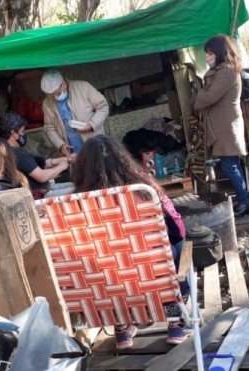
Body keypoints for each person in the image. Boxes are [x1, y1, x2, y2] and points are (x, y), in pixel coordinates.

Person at [72, 134, 191, 349]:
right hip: (151, 270)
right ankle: (175, 320)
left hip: (106, 276)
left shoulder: (74, 204)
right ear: (123, 159)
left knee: (104, 265)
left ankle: (122, 326)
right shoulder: (145, 191)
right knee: (179, 248)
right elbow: (178, 230)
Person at [194, 34, 249, 218]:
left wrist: (198, 97)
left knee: (229, 167)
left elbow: (210, 96)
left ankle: (245, 202)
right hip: (224, 125)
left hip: (227, 126)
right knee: (231, 165)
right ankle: (244, 200)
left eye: (210, 53)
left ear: (218, 52)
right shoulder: (223, 70)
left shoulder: (226, 70)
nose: (207, 57)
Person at [0, 112, 74, 197]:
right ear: (14, 134)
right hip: (38, 195)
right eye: (22, 132)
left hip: (40, 190)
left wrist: (65, 159)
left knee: (72, 185)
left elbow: (41, 163)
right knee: (77, 190)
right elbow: (42, 177)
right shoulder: (16, 154)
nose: (24, 135)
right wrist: (62, 166)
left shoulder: (4, 151)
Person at [41, 70, 109, 157]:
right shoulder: (47, 103)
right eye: (51, 95)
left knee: (101, 167)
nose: (55, 97)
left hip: (94, 145)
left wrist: (92, 124)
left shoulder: (83, 87)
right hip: (73, 153)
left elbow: (103, 106)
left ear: (63, 83)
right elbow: (49, 128)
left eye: (57, 93)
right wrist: (60, 145)